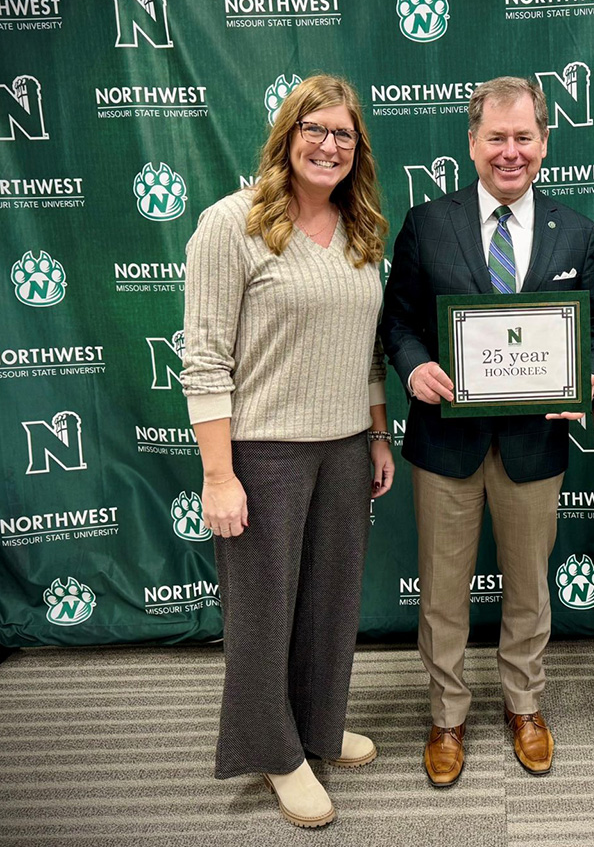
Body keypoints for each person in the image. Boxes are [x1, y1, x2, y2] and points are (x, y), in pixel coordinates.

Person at [381, 76, 594, 786]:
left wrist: (592, 377)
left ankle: (525, 705)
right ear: (472, 142)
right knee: (443, 591)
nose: (509, 152)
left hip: (533, 446)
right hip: (445, 443)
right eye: (496, 138)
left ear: (545, 141)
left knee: (530, 589)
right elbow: (397, 321)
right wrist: (415, 366)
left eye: (523, 138)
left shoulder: (576, 231)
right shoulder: (426, 223)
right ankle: (447, 714)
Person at [181, 74, 394, 827]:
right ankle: (275, 751)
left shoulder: (361, 227)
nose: (328, 145)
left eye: (343, 134)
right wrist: (218, 473)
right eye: (315, 129)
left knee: (331, 603)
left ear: (356, 148)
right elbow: (203, 359)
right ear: (287, 136)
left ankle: (317, 729)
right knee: (264, 614)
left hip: (342, 448)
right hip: (263, 453)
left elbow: (367, 349)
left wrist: (375, 431)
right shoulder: (230, 224)